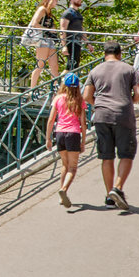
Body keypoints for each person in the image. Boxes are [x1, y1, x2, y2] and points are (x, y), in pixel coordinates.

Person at [83, 41, 139, 210]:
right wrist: (128, 102)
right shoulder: (129, 69)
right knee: (126, 154)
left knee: (106, 156)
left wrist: (98, 104)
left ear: (104, 54)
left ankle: (109, 196)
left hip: (101, 115)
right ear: (120, 54)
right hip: (123, 115)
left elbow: (87, 95)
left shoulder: (95, 70)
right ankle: (118, 187)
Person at [46, 72, 88, 208]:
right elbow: (83, 123)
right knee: (73, 167)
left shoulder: (58, 98)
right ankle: (63, 190)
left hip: (60, 133)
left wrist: (48, 138)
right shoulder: (80, 101)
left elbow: (51, 119)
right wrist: (83, 142)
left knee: (64, 165)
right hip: (73, 134)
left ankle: (61, 194)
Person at [25, 0, 61, 86]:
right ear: (50, 0)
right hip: (42, 40)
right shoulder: (42, 9)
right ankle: (32, 89)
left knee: (54, 66)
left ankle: (55, 91)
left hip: (49, 40)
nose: (56, 2)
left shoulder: (49, 12)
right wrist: (48, 30)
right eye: (55, 0)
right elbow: (34, 23)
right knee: (40, 65)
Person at [61, 0, 86, 70]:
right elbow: (63, 29)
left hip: (77, 42)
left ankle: (66, 81)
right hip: (70, 42)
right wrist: (64, 46)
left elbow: (81, 29)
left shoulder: (78, 13)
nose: (80, 0)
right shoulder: (68, 13)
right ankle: (61, 81)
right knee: (70, 66)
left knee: (75, 66)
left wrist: (87, 42)